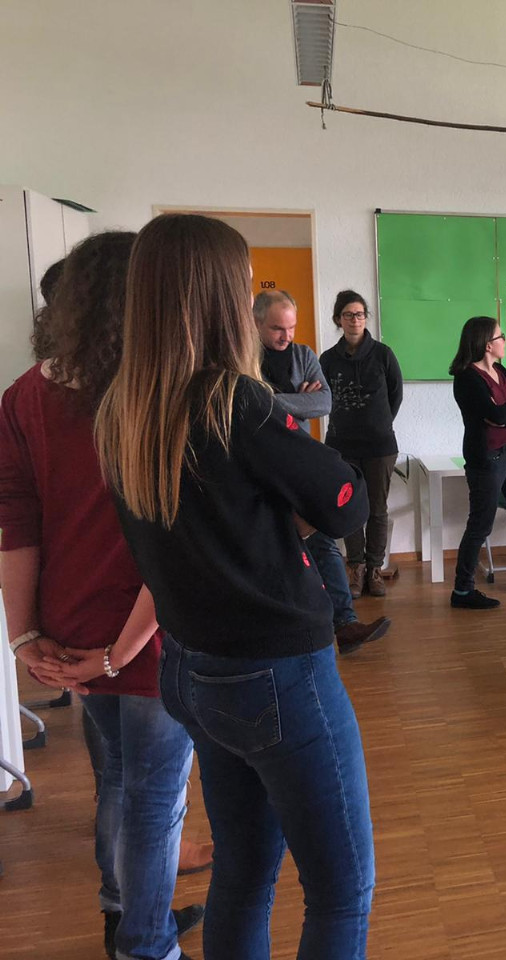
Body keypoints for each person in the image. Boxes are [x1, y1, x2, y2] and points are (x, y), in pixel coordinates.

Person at [95, 214, 376, 959]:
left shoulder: (123, 409)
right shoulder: (235, 403)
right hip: (275, 674)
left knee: (245, 876)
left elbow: (207, 521)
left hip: (192, 668)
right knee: (342, 891)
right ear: (218, 297)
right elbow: (346, 502)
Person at [0, 232, 203, 960]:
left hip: (71, 624)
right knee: (155, 794)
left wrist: (25, 636)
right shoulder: (162, 395)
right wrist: (119, 653)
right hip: (145, 629)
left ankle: (124, 914)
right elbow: (175, 538)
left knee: (118, 776)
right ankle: (146, 944)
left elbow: (15, 523)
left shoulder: (24, 395)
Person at [254, 290, 391, 654]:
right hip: (258, 466)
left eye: (291, 327)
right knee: (277, 547)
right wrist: (297, 401)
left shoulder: (304, 355)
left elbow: (323, 401)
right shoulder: (242, 356)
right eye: (277, 329)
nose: (286, 336)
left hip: (297, 462)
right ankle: (300, 629)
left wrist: (272, 399)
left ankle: (345, 624)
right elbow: (244, 405)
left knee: (323, 538)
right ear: (257, 323)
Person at [448, 316, 506, 609]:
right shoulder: (467, 377)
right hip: (486, 457)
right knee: (480, 524)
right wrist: (502, 413)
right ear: (488, 344)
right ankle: (462, 591)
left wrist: (501, 414)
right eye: (501, 337)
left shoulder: (501, 370)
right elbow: (496, 414)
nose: (505, 342)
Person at [319, 290, 403, 599]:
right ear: (338, 320)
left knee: (377, 509)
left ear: (366, 318)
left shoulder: (383, 354)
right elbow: (322, 396)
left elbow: (395, 395)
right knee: (350, 507)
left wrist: (379, 424)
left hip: (380, 446)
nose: (355, 320)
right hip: (341, 446)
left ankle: (375, 570)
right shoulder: (327, 359)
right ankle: (355, 567)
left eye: (360, 314)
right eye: (348, 315)